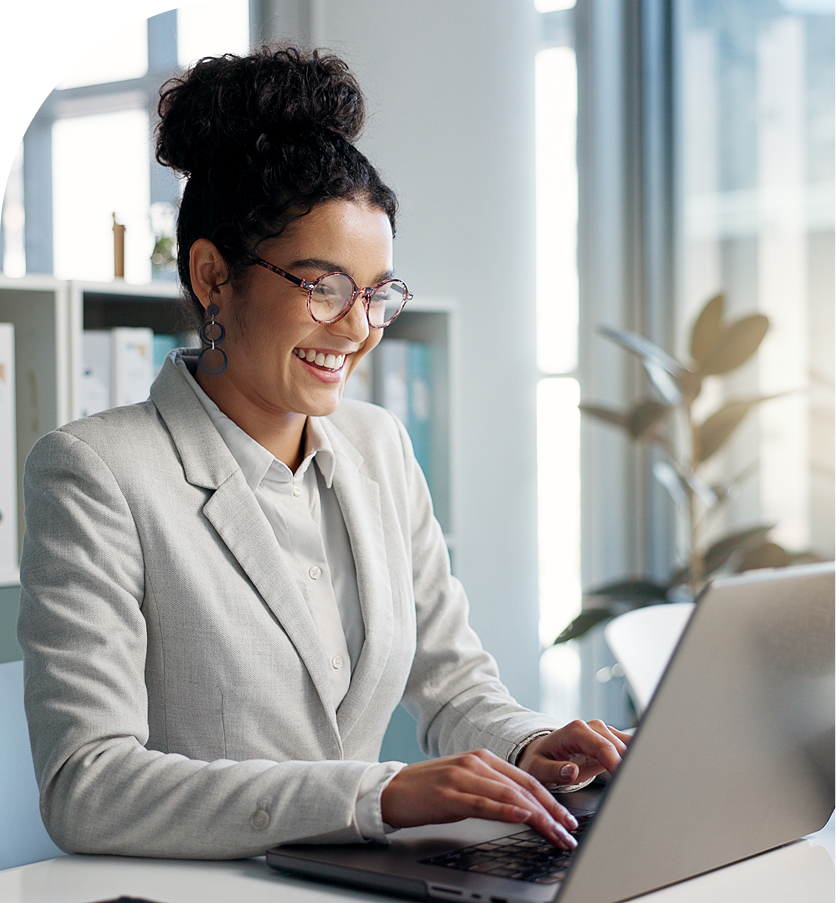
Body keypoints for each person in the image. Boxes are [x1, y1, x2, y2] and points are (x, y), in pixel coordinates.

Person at [17, 45, 629, 860]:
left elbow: (453, 681)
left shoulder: (380, 446)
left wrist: (531, 743)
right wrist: (374, 794)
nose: (358, 327)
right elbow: (87, 786)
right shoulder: (97, 472)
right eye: (323, 287)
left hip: (357, 880)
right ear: (211, 275)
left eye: (377, 293)